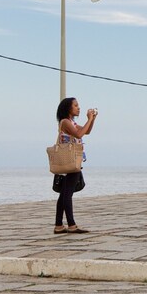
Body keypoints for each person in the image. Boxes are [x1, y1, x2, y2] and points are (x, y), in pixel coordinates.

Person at [54, 97, 97, 234]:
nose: (78, 108)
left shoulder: (70, 122)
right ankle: (71, 225)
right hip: (71, 160)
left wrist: (92, 119)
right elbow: (79, 133)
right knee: (67, 194)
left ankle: (59, 225)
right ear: (68, 108)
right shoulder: (65, 122)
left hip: (72, 160)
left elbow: (86, 131)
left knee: (64, 194)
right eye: (76, 105)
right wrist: (89, 119)